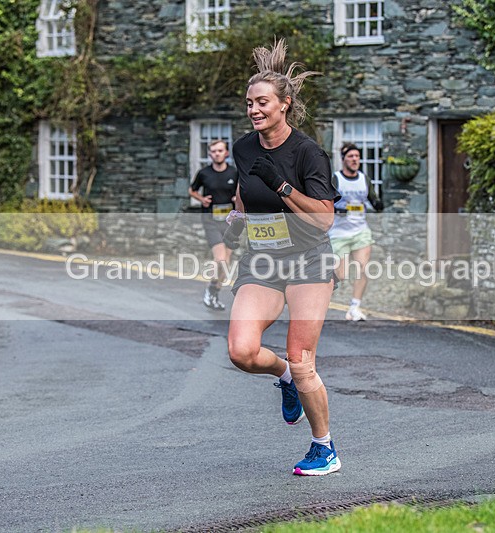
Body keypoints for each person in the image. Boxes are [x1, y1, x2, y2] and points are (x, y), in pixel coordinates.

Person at [223, 39, 341, 476]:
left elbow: (325, 220)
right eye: (250, 103)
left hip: (308, 259)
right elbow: (242, 192)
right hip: (263, 260)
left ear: (284, 105)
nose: (254, 110)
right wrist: (236, 216)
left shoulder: (309, 153)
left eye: (262, 103)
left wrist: (283, 187)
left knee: (303, 356)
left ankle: (324, 447)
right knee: (241, 350)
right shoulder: (244, 148)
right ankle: (285, 379)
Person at [329, 143, 384, 321]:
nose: (355, 160)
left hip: (360, 231)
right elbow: (325, 203)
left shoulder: (363, 179)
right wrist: (337, 210)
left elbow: (373, 198)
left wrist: (378, 204)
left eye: (357, 157)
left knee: (362, 269)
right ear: (344, 159)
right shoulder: (336, 179)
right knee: (341, 274)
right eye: (351, 156)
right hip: (339, 233)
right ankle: (318, 300)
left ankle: (354, 307)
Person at [188, 139, 238, 311]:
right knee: (220, 259)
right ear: (210, 154)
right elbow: (191, 190)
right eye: (214, 151)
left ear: (226, 153)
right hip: (210, 220)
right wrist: (201, 199)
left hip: (230, 222)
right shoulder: (204, 173)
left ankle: (214, 291)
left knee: (227, 262)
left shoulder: (234, 173)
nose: (217, 154)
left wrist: (236, 199)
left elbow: (241, 191)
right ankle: (211, 290)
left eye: (220, 151)